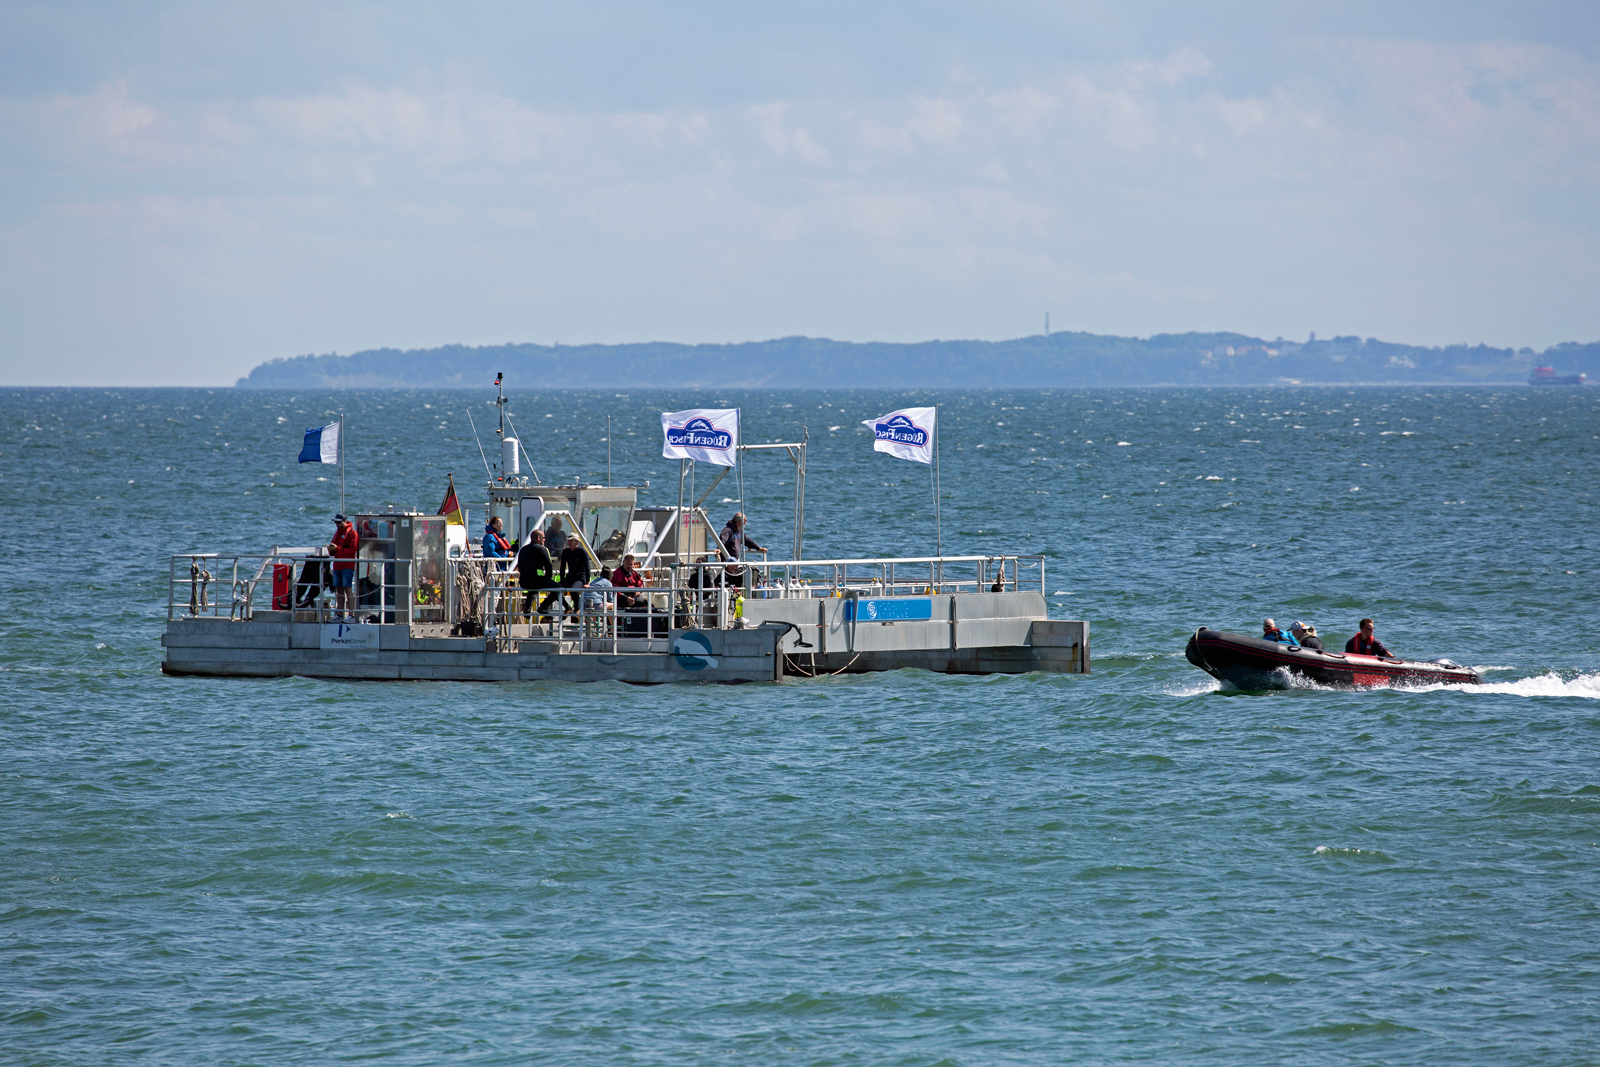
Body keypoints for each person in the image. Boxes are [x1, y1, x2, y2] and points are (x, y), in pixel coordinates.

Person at [514, 529, 559, 623]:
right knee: (559, 588)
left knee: (534, 587)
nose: (544, 540)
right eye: (543, 538)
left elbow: (520, 567)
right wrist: (548, 579)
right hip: (536, 580)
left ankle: (527, 608)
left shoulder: (523, 549)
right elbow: (549, 567)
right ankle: (543, 607)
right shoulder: (543, 549)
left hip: (524, 582)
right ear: (538, 538)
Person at [328, 513, 359, 619]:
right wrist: (331, 549)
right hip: (337, 565)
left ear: (345, 521)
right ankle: (339, 615)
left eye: (338, 522)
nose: (336, 524)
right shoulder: (337, 533)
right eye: (335, 522)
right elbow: (334, 550)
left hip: (347, 566)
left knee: (348, 589)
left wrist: (337, 549)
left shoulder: (352, 533)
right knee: (339, 591)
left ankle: (351, 615)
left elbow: (352, 550)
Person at [559, 534, 591, 617]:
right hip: (570, 577)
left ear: (576, 542)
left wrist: (587, 582)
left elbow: (587, 567)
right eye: (568, 540)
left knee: (573, 589)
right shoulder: (565, 552)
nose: (569, 542)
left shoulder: (582, 551)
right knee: (556, 589)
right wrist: (562, 581)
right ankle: (567, 607)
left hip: (580, 578)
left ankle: (577, 608)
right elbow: (562, 568)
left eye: (571, 541)